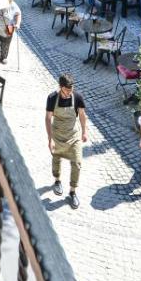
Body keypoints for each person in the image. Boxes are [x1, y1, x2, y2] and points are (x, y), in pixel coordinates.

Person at [46, 75, 87, 208]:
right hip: (57, 134)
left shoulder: (78, 97)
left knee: (77, 162)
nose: (69, 92)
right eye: (67, 90)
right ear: (60, 87)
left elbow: (82, 115)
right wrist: (50, 139)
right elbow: (48, 118)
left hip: (73, 135)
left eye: (71, 89)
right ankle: (57, 181)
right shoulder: (52, 98)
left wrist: (84, 132)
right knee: (56, 158)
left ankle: (72, 192)